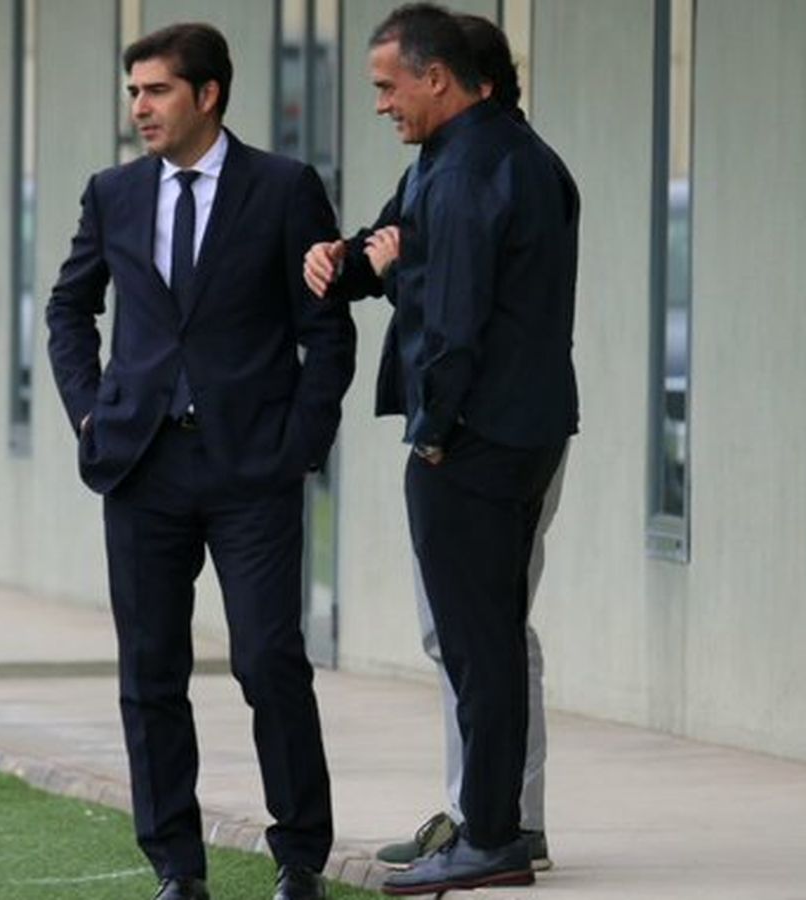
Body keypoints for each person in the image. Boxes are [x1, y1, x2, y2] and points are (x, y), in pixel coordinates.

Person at [45, 22, 355, 900]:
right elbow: (70, 309)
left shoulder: (286, 189)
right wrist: (86, 413)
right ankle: (177, 868)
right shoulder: (113, 193)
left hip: (252, 470)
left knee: (268, 659)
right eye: (134, 92)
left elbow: (325, 331)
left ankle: (300, 856)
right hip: (141, 467)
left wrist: (302, 441)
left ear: (207, 94)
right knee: (150, 674)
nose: (139, 107)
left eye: (156, 91)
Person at [303, 4, 578, 894]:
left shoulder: (467, 174)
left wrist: (432, 435)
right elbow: (384, 255)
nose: (381, 102)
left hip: (475, 438)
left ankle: (492, 833)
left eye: (388, 84)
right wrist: (347, 264)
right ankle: (500, 818)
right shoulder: (477, 160)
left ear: (439, 78)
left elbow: (453, 321)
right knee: (481, 635)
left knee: (474, 640)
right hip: (516, 429)